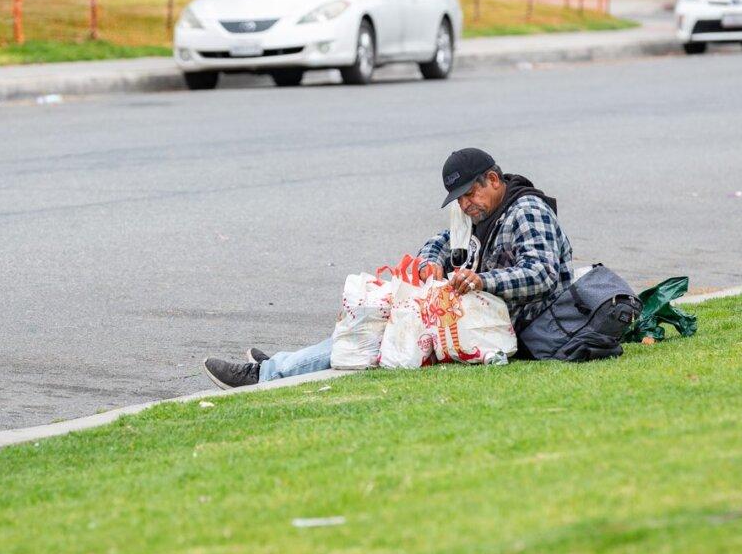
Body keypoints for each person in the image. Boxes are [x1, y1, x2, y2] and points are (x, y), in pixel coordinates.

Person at [201, 148, 574, 389]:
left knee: (381, 334)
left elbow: (540, 274)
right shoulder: (481, 213)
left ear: (493, 180)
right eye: (459, 200)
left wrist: (481, 280)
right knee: (384, 316)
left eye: (470, 195)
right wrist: (430, 263)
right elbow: (442, 241)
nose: (465, 206)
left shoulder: (527, 211)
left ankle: (266, 374)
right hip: (481, 319)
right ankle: (287, 365)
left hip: (514, 328)